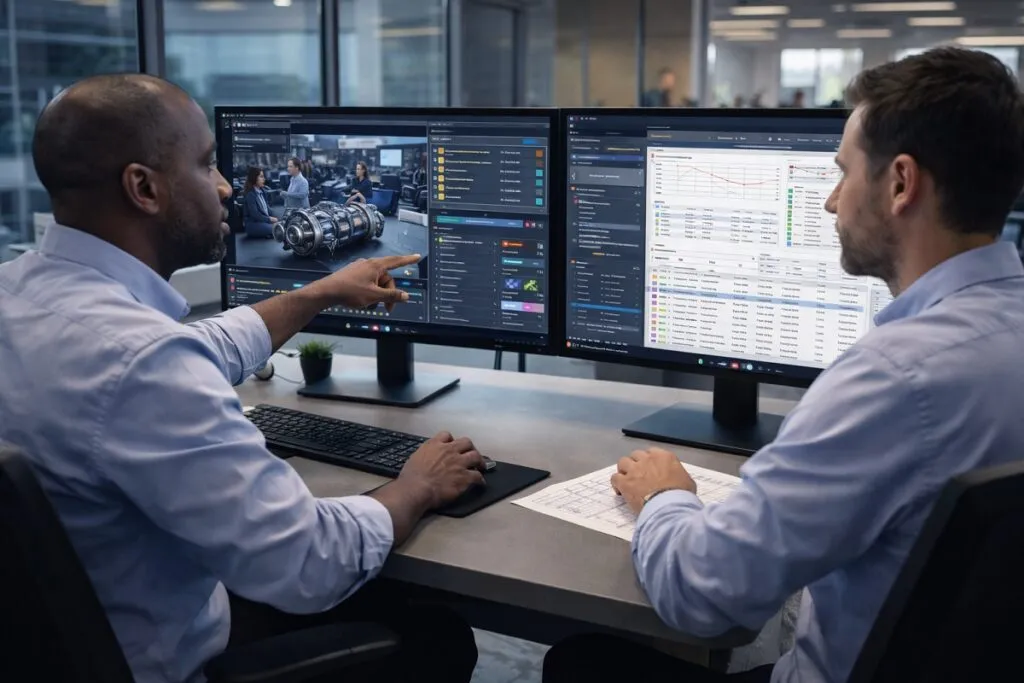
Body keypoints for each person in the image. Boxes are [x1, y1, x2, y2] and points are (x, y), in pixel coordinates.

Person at [543, 47, 1024, 683]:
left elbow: (701, 595)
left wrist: (663, 497)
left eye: (842, 171)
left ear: (901, 184)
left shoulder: (892, 380)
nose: (829, 201)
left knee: (583, 665)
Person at [0, 73, 486, 683]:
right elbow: (311, 562)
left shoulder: (21, 296)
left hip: (56, 648)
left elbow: (193, 349)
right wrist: (415, 485)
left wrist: (320, 293)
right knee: (434, 632)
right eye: (206, 165)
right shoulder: (144, 362)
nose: (226, 185)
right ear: (143, 188)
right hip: (163, 661)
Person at [241, 166, 277, 237]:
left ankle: (269, 234)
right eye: (261, 177)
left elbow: (267, 209)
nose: (264, 179)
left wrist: (278, 217)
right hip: (253, 224)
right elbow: (255, 215)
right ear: (254, 178)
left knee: (281, 226)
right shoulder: (250, 194)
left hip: (263, 221)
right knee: (277, 229)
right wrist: (269, 219)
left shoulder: (263, 191)